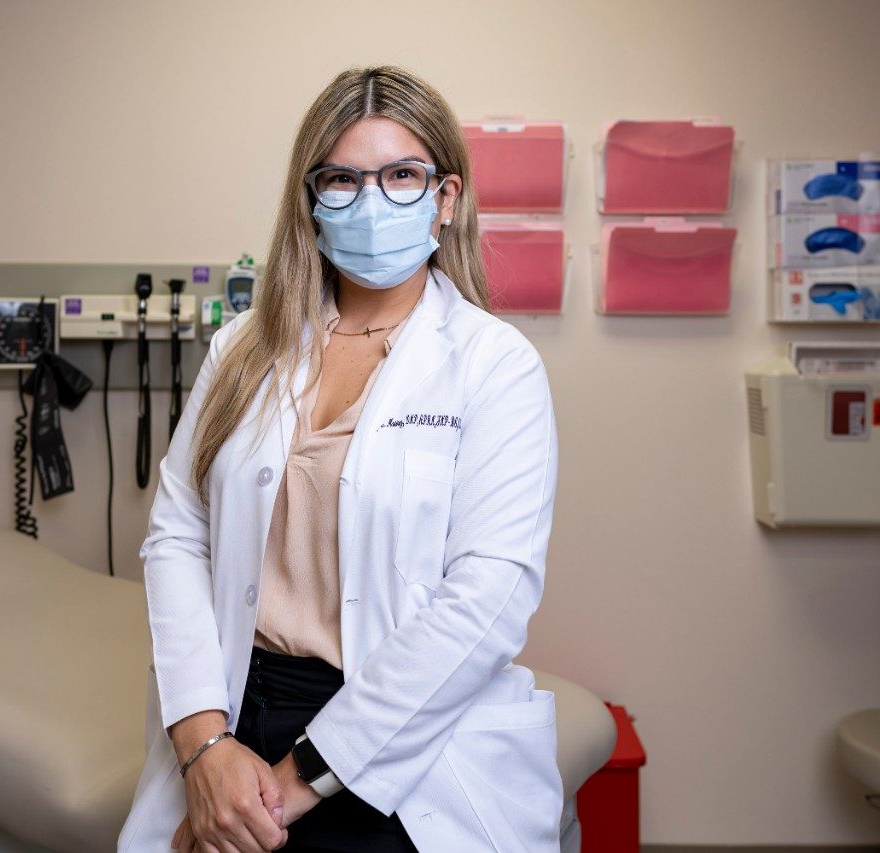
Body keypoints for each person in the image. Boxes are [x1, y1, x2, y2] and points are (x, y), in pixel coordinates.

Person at [117, 65, 563, 853]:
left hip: (399, 733)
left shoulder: (496, 365)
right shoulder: (243, 350)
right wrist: (204, 746)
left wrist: (286, 787)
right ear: (311, 199)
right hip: (232, 711)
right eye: (342, 180)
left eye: (401, 176)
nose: (370, 201)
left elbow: (487, 599)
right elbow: (178, 536)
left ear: (446, 198)